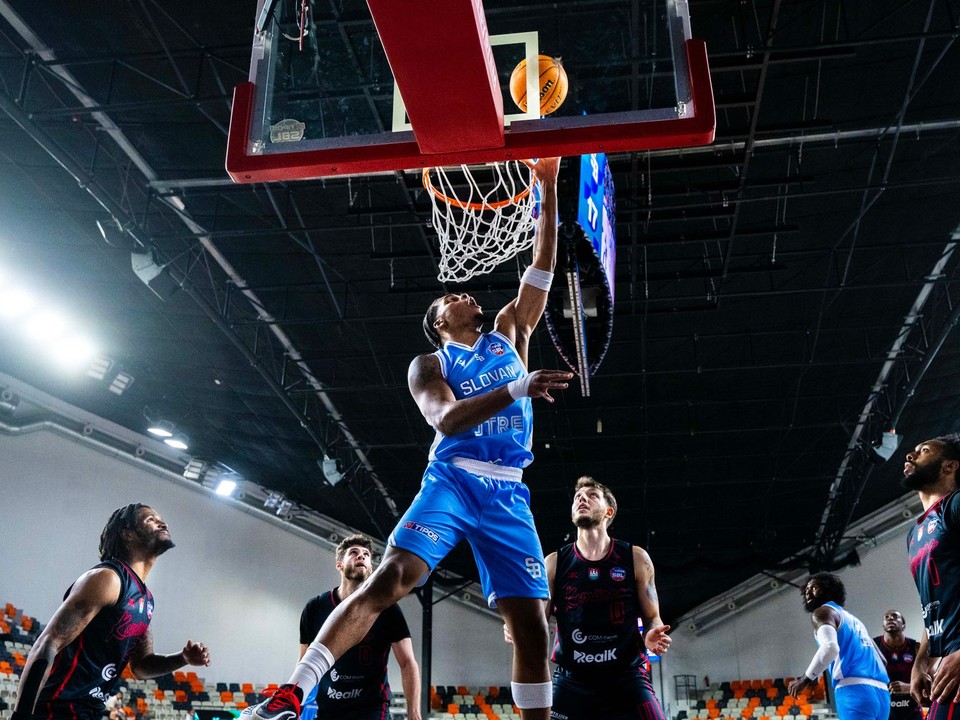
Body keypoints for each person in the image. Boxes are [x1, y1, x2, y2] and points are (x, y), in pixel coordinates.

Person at [241, 156, 572, 720]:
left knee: (532, 626)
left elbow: (542, 262)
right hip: (453, 479)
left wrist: (547, 186)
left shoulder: (510, 332)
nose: (467, 294)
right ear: (439, 321)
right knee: (390, 578)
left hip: (508, 491)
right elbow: (446, 421)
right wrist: (517, 389)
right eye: (453, 296)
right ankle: (293, 692)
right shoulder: (429, 363)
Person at [11, 504, 210, 720]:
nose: (163, 523)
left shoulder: (146, 599)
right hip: (58, 708)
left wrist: (183, 658)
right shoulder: (108, 578)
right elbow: (48, 643)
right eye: (150, 519)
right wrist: (21, 716)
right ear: (128, 535)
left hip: (90, 711)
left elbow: (141, 667)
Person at [507, 476, 672, 720]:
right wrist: (519, 627)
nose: (582, 498)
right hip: (572, 680)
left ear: (609, 511)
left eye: (592, 495)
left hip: (627, 678)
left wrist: (652, 633)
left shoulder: (635, 558)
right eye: (577, 497)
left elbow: (652, 618)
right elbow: (536, 620)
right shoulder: (554, 563)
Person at [297, 534, 420, 720]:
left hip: (371, 708)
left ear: (371, 567)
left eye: (366, 554)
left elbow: (407, 662)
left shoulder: (387, 608)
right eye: (354, 553)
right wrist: (295, 703)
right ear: (339, 564)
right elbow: (304, 661)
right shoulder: (315, 608)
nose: (361, 556)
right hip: (329, 709)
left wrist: (414, 712)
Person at [902, 433, 960, 719]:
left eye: (923, 451)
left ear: (950, 466)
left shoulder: (956, 505)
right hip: (946, 660)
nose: (910, 456)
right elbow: (933, 606)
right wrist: (920, 663)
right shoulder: (914, 535)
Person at [787, 573, 890, 720]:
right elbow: (883, 660)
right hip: (882, 694)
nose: (808, 592)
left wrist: (805, 679)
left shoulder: (823, 612)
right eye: (806, 590)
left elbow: (830, 647)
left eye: (814, 587)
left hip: (854, 691)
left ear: (829, 590)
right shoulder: (856, 622)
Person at [873, 609, 923, 720]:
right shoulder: (873, 647)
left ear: (903, 626)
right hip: (884, 711)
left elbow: (928, 683)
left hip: (911, 711)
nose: (890, 618)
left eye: (895, 616)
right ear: (883, 625)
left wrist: (909, 687)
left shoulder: (916, 647)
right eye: (887, 617)